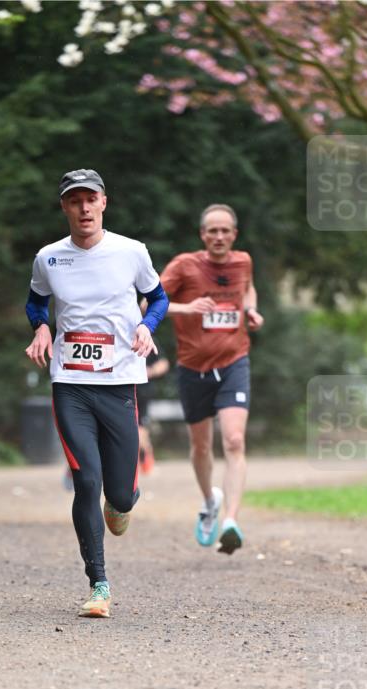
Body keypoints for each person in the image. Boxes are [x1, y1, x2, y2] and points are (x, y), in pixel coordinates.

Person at [25, 168, 169, 619]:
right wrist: (42, 327)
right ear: (64, 207)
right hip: (70, 382)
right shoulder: (49, 258)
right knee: (86, 478)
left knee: (120, 495)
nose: (84, 208)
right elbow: (35, 301)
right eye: (74, 201)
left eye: (91, 199)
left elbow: (159, 297)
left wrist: (147, 326)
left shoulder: (132, 252)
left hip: (120, 381)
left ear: (104, 202)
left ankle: (122, 501)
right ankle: (99, 584)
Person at [159, 204, 263, 554]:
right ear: (203, 235)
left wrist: (249, 309)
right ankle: (209, 503)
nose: (219, 237)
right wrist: (187, 308)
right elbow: (146, 302)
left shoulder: (243, 261)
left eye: (225, 231)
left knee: (234, 441)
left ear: (234, 235)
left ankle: (231, 522)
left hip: (234, 360)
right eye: (212, 231)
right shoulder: (184, 266)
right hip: (192, 367)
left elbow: (247, 289)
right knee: (201, 446)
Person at [136, 343, 170, 475]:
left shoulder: (146, 339)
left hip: (142, 392)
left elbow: (164, 363)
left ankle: (146, 458)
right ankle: (145, 459)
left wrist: (149, 371)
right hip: (120, 391)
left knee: (140, 429)